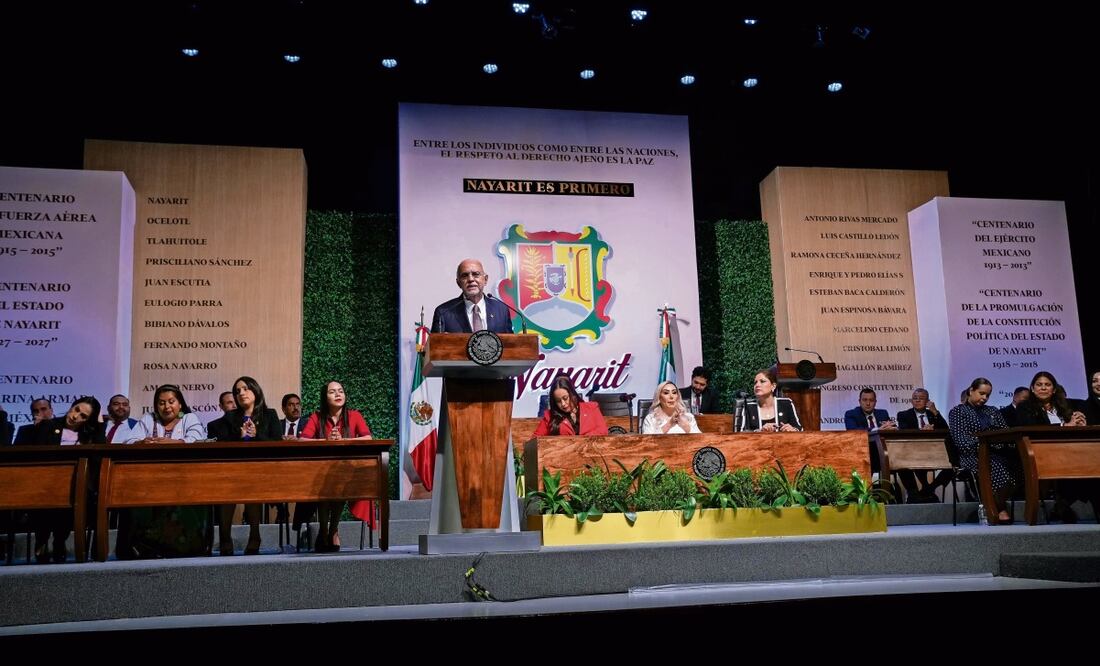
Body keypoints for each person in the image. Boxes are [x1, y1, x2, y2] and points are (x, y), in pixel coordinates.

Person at [120, 385, 209, 558]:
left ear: (180, 404)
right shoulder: (149, 418)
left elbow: (196, 439)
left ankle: (184, 547)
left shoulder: (188, 418)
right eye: (161, 403)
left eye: (171, 401)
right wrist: (141, 442)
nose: (166, 407)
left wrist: (168, 443)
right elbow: (129, 440)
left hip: (183, 476)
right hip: (151, 477)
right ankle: (146, 547)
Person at [299, 381, 373, 552]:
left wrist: (343, 440)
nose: (338, 394)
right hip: (321, 470)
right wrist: (327, 441)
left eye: (341, 391)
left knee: (339, 485)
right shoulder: (316, 417)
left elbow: (367, 438)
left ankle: (332, 529)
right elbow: (303, 440)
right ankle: (324, 530)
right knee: (325, 486)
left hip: (347, 470)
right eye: (332, 392)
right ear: (325, 397)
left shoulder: (354, 415)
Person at [29, 397, 105, 562]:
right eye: (76, 410)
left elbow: (98, 457)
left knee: (74, 496)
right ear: (72, 406)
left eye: (83, 416)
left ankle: (59, 541)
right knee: (45, 495)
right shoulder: (49, 425)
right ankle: (42, 541)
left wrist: (99, 425)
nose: (75, 416)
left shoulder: (88, 434)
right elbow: (37, 455)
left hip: (74, 483)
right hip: (46, 480)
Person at [1015, 370, 1095, 522]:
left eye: (1047, 384)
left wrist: (1080, 422)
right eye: (1039, 385)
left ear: (1054, 389)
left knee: (1090, 463)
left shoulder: (1065, 405)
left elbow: (1076, 420)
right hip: (1040, 452)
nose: (1043, 388)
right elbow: (1031, 428)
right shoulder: (1025, 407)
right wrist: (1065, 426)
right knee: (1072, 464)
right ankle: (1063, 504)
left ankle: (1064, 504)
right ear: (1032, 388)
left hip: (1070, 450)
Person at [218, 377, 282, 555]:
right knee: (226, 489)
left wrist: (257, 435)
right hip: (233, 468)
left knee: (253, 486)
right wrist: (238, 437)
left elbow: (277, 443)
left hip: (261, 469)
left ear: (255, 390)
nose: (241, 393)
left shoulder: (270, 414)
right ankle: (225, 538)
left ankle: (255, 536)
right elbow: (221, 443)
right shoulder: (230, 417)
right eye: (237, 391)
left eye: (245, 389)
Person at [948, 377, 1016, 524]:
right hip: (971, 456)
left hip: (997, 453)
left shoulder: (992, 411)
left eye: (988, 395)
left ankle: (995, 505)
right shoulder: (958, 412)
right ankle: (999, 508)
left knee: (1017, 464)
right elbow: (961, 441)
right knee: (996, 466)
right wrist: (986, 443)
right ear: (971, 390)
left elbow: (1005, 433)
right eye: (981, 393)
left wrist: (997, 444)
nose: (984, 398)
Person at [895, 388, 953, 502]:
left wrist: (935, 412)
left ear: (927, 401)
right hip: (913, 451)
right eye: (915, 398)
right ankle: (915, 493)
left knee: (953, 464)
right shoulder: (904, 415)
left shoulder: (932, 414)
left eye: (921, 398)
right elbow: (904, 430)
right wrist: (921, 430)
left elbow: (946, 430)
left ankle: (929, 489)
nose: (917, 401)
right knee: (901, 463)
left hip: (935, 451)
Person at [431, 258, 512, 333]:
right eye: (465, 275)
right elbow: (435, 343)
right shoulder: (444, 313)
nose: (470, 279)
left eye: (476, 274)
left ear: (485, 280)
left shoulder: (501, 310)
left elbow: (510, 342)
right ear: (458, 283)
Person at [533, 375, 609, 436]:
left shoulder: (591, 408)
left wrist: (582, 440)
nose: (563, 404)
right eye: (558, 401)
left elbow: (602, 430)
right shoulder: (550, 416)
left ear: (572, 394)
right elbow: (535, 439)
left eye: (565, 398)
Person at [738, 368, 801, 432]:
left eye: (762, 381)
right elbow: (742, 433)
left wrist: (792, 429)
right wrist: (761, 431)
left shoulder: (786, 403)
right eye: (755, 383)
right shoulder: (748, 407)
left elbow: (799, 428)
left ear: (773, 386)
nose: (757, 385)